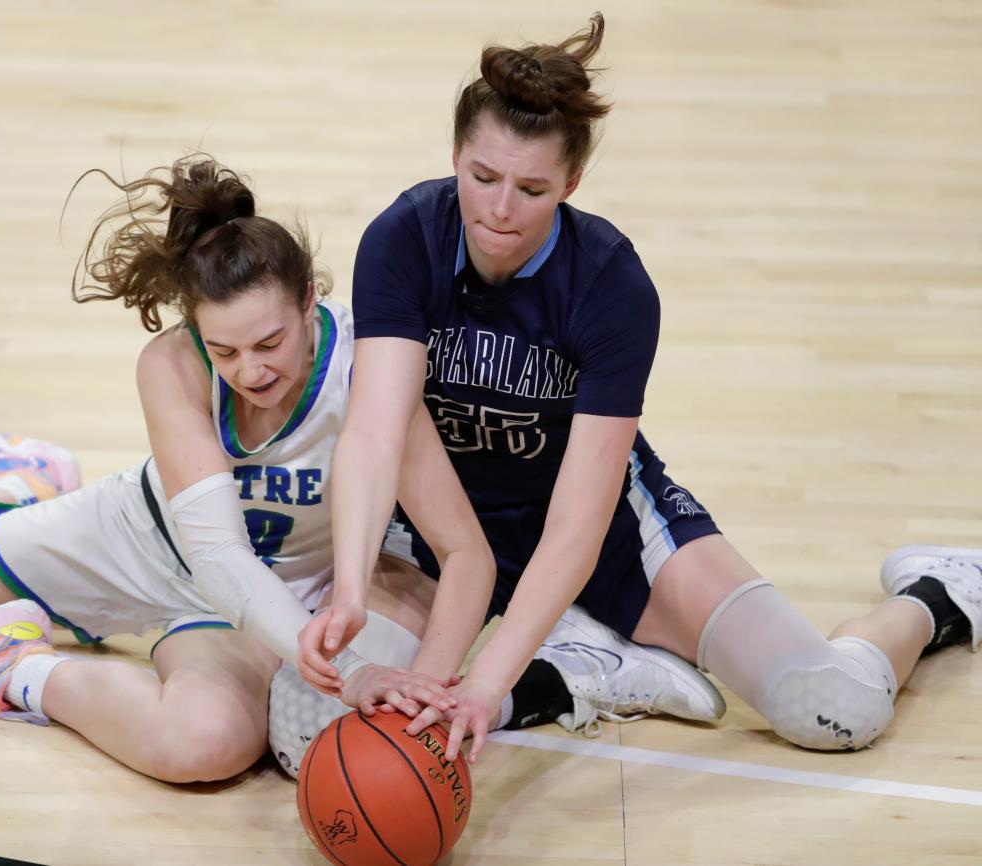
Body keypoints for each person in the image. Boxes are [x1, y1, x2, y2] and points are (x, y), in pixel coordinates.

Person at [299, 14, 982, 763]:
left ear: (573, 182)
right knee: (328, 728)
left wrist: (487, 684)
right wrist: (353, 591)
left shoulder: (610, 285)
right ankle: (582, 664)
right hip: (440, 537)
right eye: (482, 177)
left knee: (831, 708)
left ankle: (935, 595)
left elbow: (577, 530)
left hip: (604, 535)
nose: (499, 210)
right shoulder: (404, 240)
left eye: (531, 189)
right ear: (454, 156)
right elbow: (373, 431)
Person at [0, 156, 494, 783]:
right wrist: (353, 671)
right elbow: (215, 552)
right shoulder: (170, 364)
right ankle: (19, 475)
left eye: (270, 343)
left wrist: (426, 687)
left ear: (308, 301)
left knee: (204, 744)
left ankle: (10, 665)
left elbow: (466, 551)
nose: (251, 371)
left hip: (264, 596)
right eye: (226, 350)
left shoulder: (368, 369)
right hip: (146, 539)